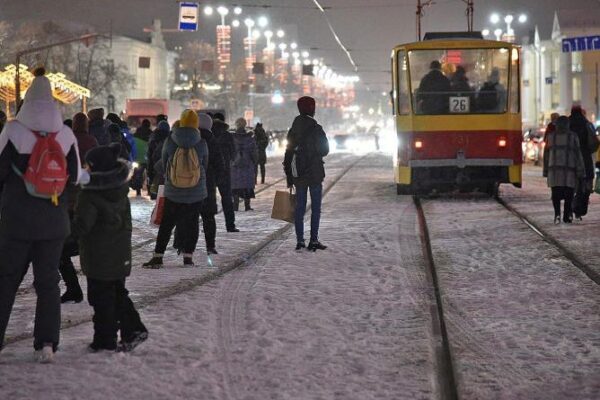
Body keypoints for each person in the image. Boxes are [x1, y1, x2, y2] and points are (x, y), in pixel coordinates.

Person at [0, 67, 81, 363]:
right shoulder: (66, 134)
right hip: (53, 222)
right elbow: (74, 177)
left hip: (16, 221)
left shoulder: (13, 131)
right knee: (48, 283)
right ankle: (46, 343)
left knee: (6, 279)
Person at [71, 143, 147, 352]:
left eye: (88, 165)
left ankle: (105, 340)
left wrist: (65, 228)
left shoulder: (90, 195)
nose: (85, 168)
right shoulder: (119, 190)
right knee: (117, 292)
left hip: (99, 254)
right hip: (119, 251)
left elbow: (82, 226)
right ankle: (132, 329)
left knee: (101, 298)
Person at [143, 110, 208, 268]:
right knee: (192, 224)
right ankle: (188, 257)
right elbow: (204, 165)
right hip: (196, 191)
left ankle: (158, 256)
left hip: (174, 191)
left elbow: (164, 164)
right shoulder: (201, 142)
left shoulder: (170, 140)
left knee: (167, 224)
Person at [60, 112, 98, 304]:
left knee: (63, 248)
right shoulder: (92, 141)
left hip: (67, 199)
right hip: (87, 198)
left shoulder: (66, 140)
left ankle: (72, 286)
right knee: (87, 244)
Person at [283, 96, 330, 251]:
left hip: (299, 173)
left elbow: (288, 154)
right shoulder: (316, 128)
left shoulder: (293, 130)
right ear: (312, 109)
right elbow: (325, 150)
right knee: (315, 208)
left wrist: (289, 175)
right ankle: (313, 240)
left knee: (299, 208)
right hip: (315, 173)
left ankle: (300, 241)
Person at [173, 113, 223, 255]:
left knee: (186, 216)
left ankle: (181, 244)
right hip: (207, 183)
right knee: (208, 216)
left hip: (187, 182)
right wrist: (216, 180)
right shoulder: (212, 141)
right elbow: (220, 164)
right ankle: (210, 245)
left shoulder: (188, 138)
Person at [543, 116, 585, 224]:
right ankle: (567, 216)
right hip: (569, 170)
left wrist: (545, 170)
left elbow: (546, 154)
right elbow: (578, 154)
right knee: (569, 195)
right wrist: (581, 169)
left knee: (555, 194)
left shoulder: (550, 137)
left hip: (554, 171)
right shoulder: (573, 136)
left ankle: (557, 214)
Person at [569, 105, 600, 219]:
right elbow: (595, 142)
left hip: (570, 158)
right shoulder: (587, 124)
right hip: (584, 157)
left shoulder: (567, 124)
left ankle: (570, 208)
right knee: (585, 184)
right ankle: (580, 209)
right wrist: (588, 150)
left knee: (571, 185)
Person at [212, 113, 238, 232]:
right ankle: (230, 225)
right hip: (225, 171)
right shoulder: (227, 135)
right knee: (227, 198)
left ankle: (208, 222)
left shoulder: (208, 134)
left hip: (210, 171)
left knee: (208, 199)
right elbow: (234, 153)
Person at [231, 118, 257, 211]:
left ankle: (235, 205)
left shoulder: (232, 138)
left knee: (235, 185)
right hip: (247, 164)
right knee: (247, 185)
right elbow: (254, 153)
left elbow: (229, 151)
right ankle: (247, 205)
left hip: (235, 165)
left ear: (236, 125)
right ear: (245, 125)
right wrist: (254, 163)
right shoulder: (250, 138)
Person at [146, 120, 171, 199]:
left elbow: (149, 156)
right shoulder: (170, 139)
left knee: (156, 188)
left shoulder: (153, 138)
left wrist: (149, 171)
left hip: (155, 167)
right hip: (166, 167)